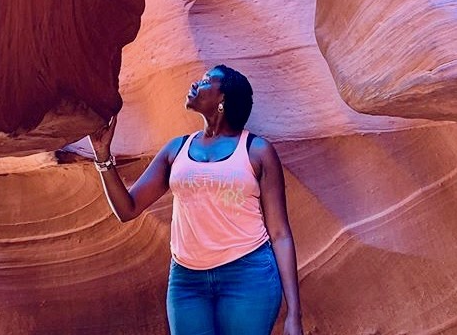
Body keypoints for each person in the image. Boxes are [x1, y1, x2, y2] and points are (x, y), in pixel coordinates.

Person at [89, 64, 304, 335]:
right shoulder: (176, 149)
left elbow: (280, 233)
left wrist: (294, 314)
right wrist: (101, 154)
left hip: (248, 275)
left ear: (223, 98)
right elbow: (127, 209)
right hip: (186, 281)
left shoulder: (257, 151)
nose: (195, 84)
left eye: (206, 81)